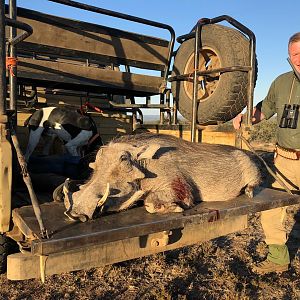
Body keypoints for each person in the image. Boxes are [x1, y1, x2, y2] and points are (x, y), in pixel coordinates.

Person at [233, 32, 300, 275]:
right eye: (295, 54)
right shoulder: (281, 83)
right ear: (289, 57)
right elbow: (264, 110)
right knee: (272, 209)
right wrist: (246, 118)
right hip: (284, 159)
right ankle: (278, 259)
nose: (299, 58)